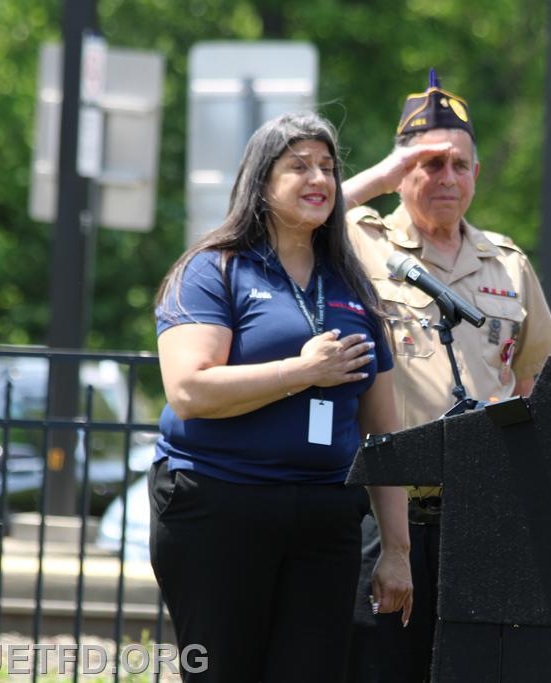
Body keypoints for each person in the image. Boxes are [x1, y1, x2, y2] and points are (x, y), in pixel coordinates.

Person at [150, 112, 412, 683]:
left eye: (328, 167)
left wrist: (397, 550)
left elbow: (384, 436)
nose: (319, 177)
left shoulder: (353, 287)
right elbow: (190, 390)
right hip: (219, 509)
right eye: (299, 166)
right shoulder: (213, 270)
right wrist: (300, 372)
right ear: (261, 183)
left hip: (324, 523)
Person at [343, 70, 551, 682]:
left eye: (459, 165)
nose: (447, 178)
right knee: (381, 667)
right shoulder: (359, 243)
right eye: (430, 164)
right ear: (401, 172)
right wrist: (381, 175)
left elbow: (541, 384)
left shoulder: (507, 262)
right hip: (386, 514)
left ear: (476, 174)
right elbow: (283, 217)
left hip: (483, 517)